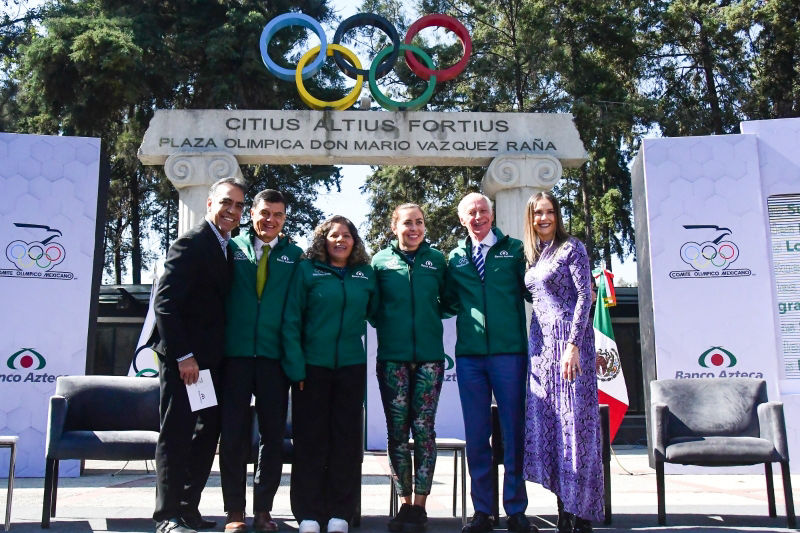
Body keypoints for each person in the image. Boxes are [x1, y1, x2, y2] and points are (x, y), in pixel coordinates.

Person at [150, 176, 246, 533]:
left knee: (205, 434)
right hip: (185, 364)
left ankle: (188, 508)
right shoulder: (191, 244)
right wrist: (184, 356)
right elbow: (166, 303)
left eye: (238, 205)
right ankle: (167, 516)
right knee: (176, 435)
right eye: (226, 202)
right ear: (210, 204)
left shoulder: (227, 246)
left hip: (210, 365)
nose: (231, 211)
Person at [282, 216, 378, 533]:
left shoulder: (366, 274)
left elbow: (380, 312)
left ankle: (340, 512)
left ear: (355, 241)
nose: (340, 240)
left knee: (346, 443)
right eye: (333, 235)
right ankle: (308, 513)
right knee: (310, 442)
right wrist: (296, 367)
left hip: (350, 368)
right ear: (323, 239)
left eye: (347, 235)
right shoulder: (307, 270)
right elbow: (292, 319)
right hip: (311, 369)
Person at [444, 192, 532, 533]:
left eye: (483, 211)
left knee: (512, 432)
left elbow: (535, 290)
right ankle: (483, 511)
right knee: (477, 436)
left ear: (491, 215)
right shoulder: (455, 257)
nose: (477, 217)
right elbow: (448, 301)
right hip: (469, 358)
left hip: (510, 353)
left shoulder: (514, 251)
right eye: (471, 213)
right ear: (462, 219)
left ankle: (516, 510)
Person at [219, 189, 303, 533]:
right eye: (265, 212)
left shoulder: (295, 255)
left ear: (284, 219)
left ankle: (263, 510)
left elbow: (298, 311)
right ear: (252, 213)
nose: (270, 220)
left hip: (273, 359)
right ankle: (234, 512)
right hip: (234, 357)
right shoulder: (230, 247)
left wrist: (295, 363)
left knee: (272, 437)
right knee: (234, 435)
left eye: (278, 215)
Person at [521, 191, 604, 533]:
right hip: (541, 350)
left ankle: (581, 513)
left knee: (577, 429)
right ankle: (563, 508)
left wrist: (573, 345)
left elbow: (586, 295)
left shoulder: (573, 248)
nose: (544, 218)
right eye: (538, 213)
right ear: (531, 218)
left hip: (570, 345)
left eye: (549, 212)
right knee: (553, 426)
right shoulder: (533, 256)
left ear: (557, 215)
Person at [371, 204, 447, 532]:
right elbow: (372, 308)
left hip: (430, 357)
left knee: (425, 430)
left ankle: (420, 504)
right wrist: (393, 328)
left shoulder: (437, 261)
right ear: (394, 227)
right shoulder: (379, 262)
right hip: (393, 358)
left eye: (419, 222)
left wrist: (428, 322)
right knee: (397, 432)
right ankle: (404, 504)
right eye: (407, 223)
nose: (413, 228)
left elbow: (451, 300)